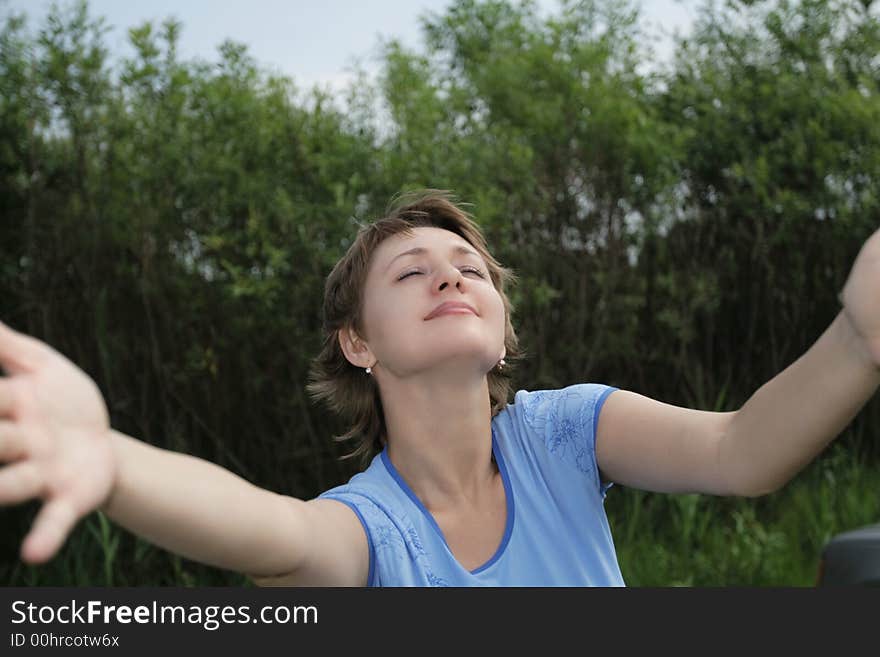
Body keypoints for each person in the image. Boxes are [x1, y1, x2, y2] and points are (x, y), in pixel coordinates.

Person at [0, 190, 878, 586]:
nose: (451, 278)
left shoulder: (563, 433)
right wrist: (108, 460)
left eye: (470, 269)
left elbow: (741, 450)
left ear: (500, 328)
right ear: (358, 343)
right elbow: (273, 531)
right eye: (411, 271)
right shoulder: (371, 529)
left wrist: (859, 335)